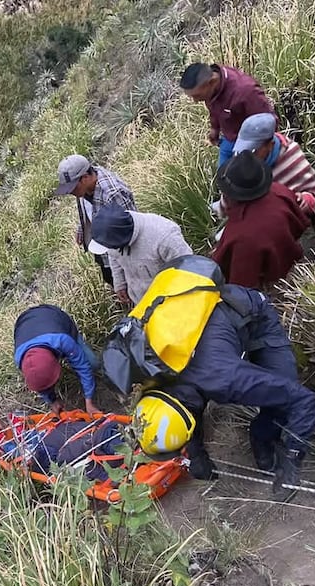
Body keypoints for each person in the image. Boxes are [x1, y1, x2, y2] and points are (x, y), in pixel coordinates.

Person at [127, 283, 315, 492]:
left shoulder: (227, 381)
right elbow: (186, 412)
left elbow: (304, 400)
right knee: (192, 392)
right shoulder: (154, 379)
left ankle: (261, 435)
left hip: (251, 315)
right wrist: (196, 456)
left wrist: (292, 461)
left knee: (283, 399)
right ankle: (259, 440)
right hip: (206, 324)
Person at [213, 151, 311, 289]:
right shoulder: (279, 191)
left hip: (274, 282)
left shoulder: (241, 236)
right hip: (293, 254)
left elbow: (241, 285)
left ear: (232, 195)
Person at [233, 113, 315, 237]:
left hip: (292, 218)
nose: (248, 155)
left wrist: (308, 200)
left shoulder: (291, 155)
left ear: (270, 145)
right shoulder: (242, 159)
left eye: (254, 150)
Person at [53, 154, 137, 286]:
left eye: (72, 188)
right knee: (109, 278)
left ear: (85, 178)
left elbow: (131, 231)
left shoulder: (113, 194)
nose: (70, 192)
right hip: (102, 248)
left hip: (120, 255)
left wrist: (123, 277)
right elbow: (87, 206)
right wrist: (82, 227)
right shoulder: (84, 186)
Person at [87, 202, 193, 305]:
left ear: (121, 240)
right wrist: (120, 285)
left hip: (173, 303)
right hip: (141, 303)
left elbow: (189, 269)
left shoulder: (164, 236)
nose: (109, 248)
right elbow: (113, 256)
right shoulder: (112, 236)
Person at [180, 62, 275, 167]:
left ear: (212, 82)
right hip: (229, 140)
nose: (195, 101)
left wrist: (263, 153)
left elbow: (269, 120)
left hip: (251, 144)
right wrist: (215, 129)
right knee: (224, 178)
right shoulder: (211, 91)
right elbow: (214, 108)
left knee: (244, 181)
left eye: (196, 96)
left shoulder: (245, 91)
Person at [13, 305, 102, 416]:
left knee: (92, 363)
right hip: (24, 322)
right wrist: (52, 401)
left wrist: (89, 401)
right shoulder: (20, 359)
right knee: (41, 377)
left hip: (52, 316)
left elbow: (83, 367)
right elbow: (38, 381)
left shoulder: (63, 340)